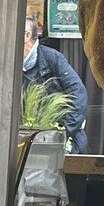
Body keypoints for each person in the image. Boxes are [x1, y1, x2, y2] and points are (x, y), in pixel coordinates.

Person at [22, 18, 89, 152]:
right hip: (29, 143)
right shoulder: (11, 63)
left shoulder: (52, 58)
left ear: (26, 35)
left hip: (60, 145)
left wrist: (62, 131)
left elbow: (78, 92)